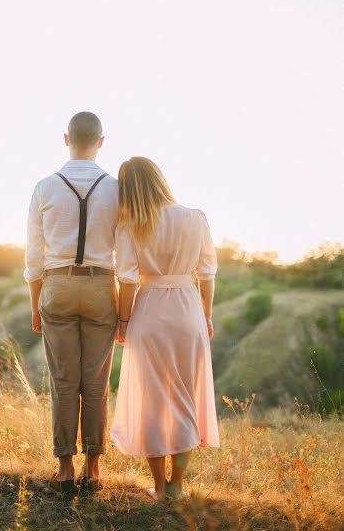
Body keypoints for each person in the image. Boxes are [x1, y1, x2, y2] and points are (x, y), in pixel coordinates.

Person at [110, 156, 220, 502]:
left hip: (150, 312)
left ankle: (158, 487)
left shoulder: (131, 225)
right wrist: (206, 314)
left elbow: (126, 279)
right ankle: (177, 486)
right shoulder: (195, 217)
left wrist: (123, 321)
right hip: (189, 311)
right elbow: (207, 273)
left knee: (152, 402)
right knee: (185, 396)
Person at [24, 112, 118, 495]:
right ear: (101, 141)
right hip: (101, 286)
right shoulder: (116, 188)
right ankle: (93, 467)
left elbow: (33, 256)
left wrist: (36, 304)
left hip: (57, 284)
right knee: (95, 382)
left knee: (64, 380)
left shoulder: (45, 187)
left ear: (66, 139)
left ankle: (65, 467)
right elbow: (125, 252)